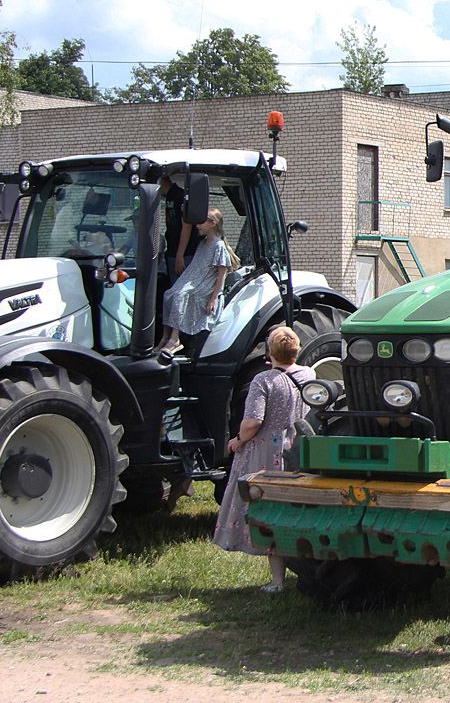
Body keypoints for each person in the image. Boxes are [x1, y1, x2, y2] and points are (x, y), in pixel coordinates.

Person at [212, 326, 313, 593]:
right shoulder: (309, 374)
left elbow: (253, 422)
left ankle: (278, 581)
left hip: (267, 453)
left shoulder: (264, 380)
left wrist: (238, 441)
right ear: (297, 350)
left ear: (270, 353)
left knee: (267, 512)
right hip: (299, 449)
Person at [159, 208, 238, 354]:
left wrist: (213, 299)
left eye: (201, 223)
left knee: (180, 296)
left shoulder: (218, 246)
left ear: (212, 224)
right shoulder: (202, 244)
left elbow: (221, 274)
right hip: (195, 280)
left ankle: (175, 339)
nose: (197, 226)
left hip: (206, 284)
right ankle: (165, 336)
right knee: (169, 294)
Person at [158, 175, 202, 277]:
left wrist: (179, 255)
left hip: (184, 254)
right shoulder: (169, 197)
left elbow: (187, 226)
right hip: (172, 250)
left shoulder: (180, 197)